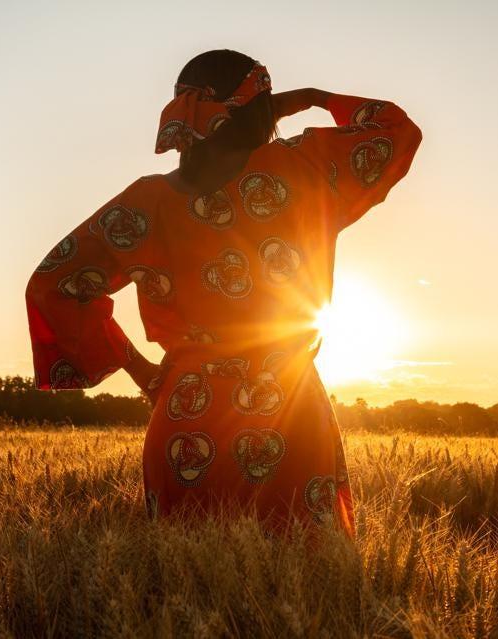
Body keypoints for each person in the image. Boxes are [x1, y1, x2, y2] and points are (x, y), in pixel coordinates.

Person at [24, 49, 422, 534]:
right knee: (312, 590)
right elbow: (396, 130)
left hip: (187, 419)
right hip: (290, 415)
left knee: (183, 593)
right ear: (262, 108)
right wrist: (312, 98)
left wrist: (143, 372)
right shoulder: (305, 168)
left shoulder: (145, 203)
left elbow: (53, 285)